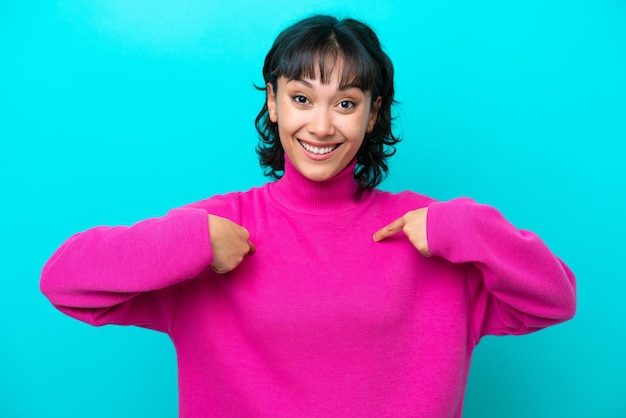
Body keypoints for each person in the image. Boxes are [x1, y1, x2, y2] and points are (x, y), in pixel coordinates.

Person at [40, 14, 576, 418]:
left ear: (373, 114)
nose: (320, 125)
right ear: (273, 103)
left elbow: (555, 299)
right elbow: (63, 281)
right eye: (301, 98)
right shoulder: (217, 229)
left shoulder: (432, 235)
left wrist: (465, 227)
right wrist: (192, 243)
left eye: (345, 103)